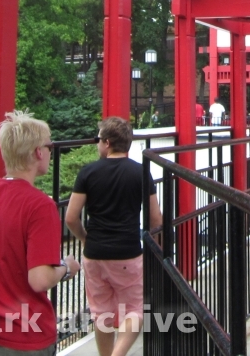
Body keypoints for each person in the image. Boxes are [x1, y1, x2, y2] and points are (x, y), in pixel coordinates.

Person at [0, 110, 80, 356]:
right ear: (38, 153)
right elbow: (39, 279)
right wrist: (66, 268)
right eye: (49, 146)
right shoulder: (40, 206)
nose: (50, 152)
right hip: (22, 336)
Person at [65, 117, 162, 356]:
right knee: (134, 311)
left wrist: (85, 238)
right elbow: (156, 219)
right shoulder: (140, 173)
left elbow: (70, 217)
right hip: (128, 251)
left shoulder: (88, 172)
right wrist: (155, 252)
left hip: (95, 252)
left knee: (101, 312)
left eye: (98, 139)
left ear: (107, 143)